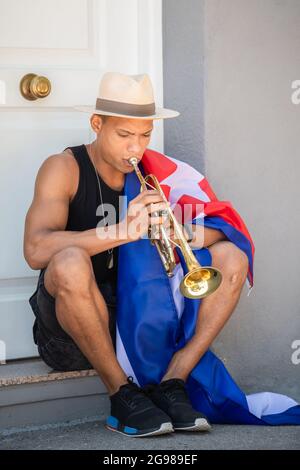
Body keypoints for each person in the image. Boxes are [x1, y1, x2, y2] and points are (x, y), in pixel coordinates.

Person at [24, 72, 249, 437]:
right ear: (97, 124)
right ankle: (121, 394)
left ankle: (174, 379)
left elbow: (221, 228)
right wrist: (121, 232)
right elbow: (35, 250)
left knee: (232, 257)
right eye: (124, 135)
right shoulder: (63, 168)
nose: (136, 148)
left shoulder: (158, 174)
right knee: (68, 260)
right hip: (73, 333)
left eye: (145, 135)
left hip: (145, 325)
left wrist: (183, 234)